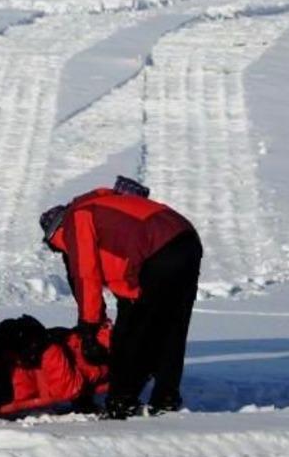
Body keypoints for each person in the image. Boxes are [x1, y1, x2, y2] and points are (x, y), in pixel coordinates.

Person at [39, 176, 202, 419]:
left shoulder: (77, 218)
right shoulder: (101, 204)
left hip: (157, 252)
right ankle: (165, 397)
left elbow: (86, 275)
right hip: (185, 238)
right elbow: (124, 248)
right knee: (173, 325)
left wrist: (89, 328)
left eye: (56, 247)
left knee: (131, 332)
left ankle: (122, 402)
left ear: (55, 232)